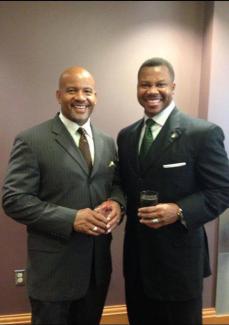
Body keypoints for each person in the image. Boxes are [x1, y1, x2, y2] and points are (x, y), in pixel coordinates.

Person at [2, 66, 125, 325]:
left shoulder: (107, 141)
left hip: (96, 270)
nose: (80, 97)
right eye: (72, 90)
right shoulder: (32, 140)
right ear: (58, 95)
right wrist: (71, 219)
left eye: (87, 91)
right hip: (53, 274)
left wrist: (117, 202)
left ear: (96, 96)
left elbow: (116, 185)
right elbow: (14, 199)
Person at [117, 57, 229, 325]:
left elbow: (222, 190)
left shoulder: (202, 133)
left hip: (179, 262)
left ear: (173, 87)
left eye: (160, 84)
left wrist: (179, 210)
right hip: (137, 260)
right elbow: (123, 184)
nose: (152, 91)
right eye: (145, 84)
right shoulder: (127, 136)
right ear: (137, 88)